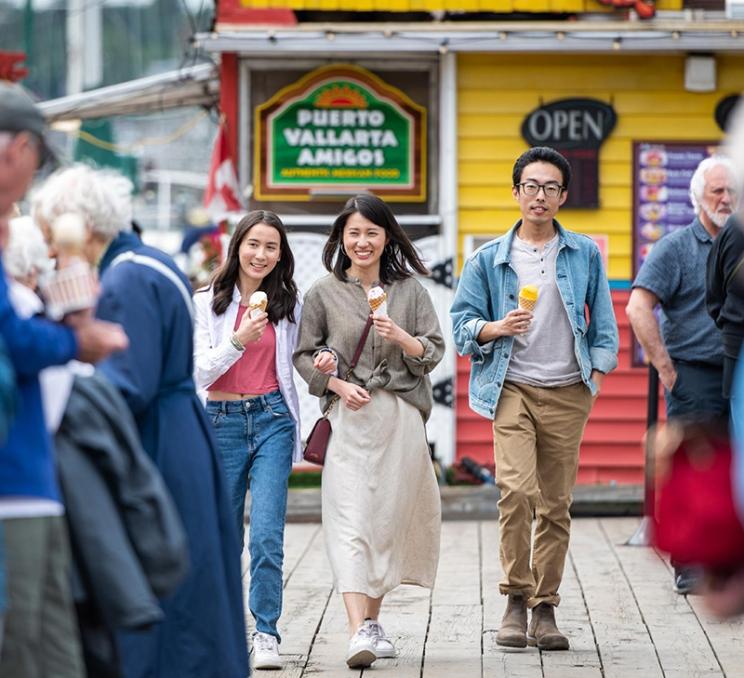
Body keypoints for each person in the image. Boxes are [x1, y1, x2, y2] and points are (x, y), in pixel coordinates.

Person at [32, 164, 249, 678]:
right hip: (180, 430)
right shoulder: (148, 260)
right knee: (199, 578)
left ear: (79, 228)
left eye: (51, 236)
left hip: (156, 441)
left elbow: (127, 382)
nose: (50, 251)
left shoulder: (126, 276)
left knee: (167, 579)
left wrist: (67, 377)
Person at [450, 146, 618, 651]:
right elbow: (460, 328)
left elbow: (605, 325)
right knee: (517, 491)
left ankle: (545, 609)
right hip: (511, 387)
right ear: (516, 192)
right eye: (531, 186)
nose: (539, 195)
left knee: (556, 503)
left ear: (562, 196)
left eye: (550, 188)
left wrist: (598, 375)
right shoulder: (487, 259)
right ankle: (515, 599)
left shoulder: (584, 253)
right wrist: (494, 328)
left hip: (568, 389)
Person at [0, 83, 128, 677]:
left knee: (50, 644)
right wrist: (76, 339)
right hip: (14, 479)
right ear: (17, 150)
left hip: (28, 475)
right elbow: (12, 338)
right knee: (26, 643)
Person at [293, 194, 444, 669]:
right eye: (353, 233)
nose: (362, 241)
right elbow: (303, 355)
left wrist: (400, 335)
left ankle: (372, 623)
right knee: (349, 518)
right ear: (341, 237)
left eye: (371, 233)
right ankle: (359, 627)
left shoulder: (411, 291)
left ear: (387, 237)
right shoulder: (323, 292)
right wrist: (332, 378)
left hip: (399, 419)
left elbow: (433, 351)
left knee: (386, 521)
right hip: (349, 419)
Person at [193, 210, 307, 671]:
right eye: (254, 244)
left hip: (272, 419)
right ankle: (218, 628)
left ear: (281, 256)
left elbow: (301, 356)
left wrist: (324, 363)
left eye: (271, 247)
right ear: (237, 245)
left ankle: (266, 633)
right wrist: (237, 341)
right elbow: (198, 371)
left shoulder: (287, 304)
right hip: (220, 421)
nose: (261, 255)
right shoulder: (206, 303)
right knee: (222, 534)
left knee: (265, 534)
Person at [628, 155, 737, 594]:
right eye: (717, 191)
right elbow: (638, 306)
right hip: (694, 372)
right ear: (697, 198)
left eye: (732, 190)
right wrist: (667, 369)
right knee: (695, 469)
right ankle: (690, 564)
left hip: (739, 371)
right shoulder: (675, 247)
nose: (727, 199)